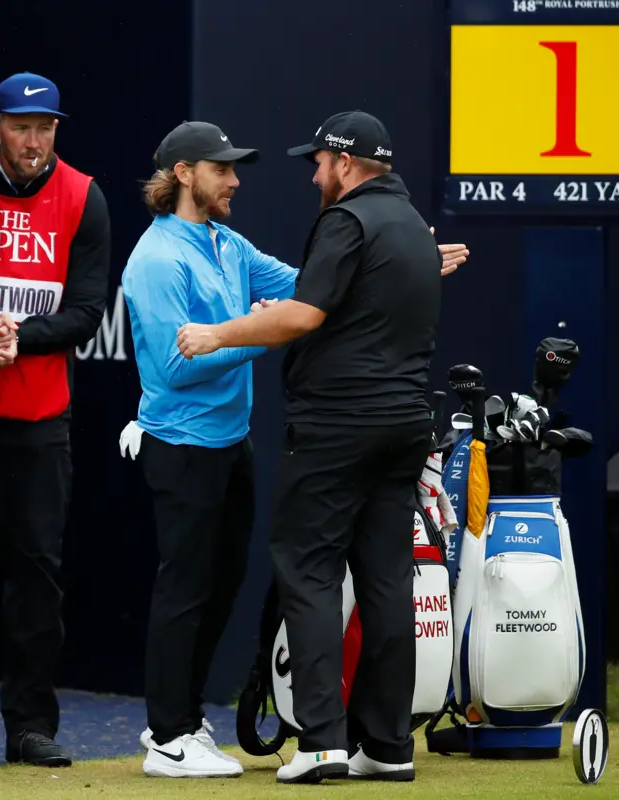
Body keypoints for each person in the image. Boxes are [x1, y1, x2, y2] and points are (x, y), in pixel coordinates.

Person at [176, 110, 445, 784]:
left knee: (310, 571)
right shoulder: (413, 225)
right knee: (386, 582)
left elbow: (305, 313)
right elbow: (345, 305)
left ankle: (322, 741)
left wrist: (219, 334)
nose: (316, 175)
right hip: (403, 426)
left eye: (320, 163)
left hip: (336, 427)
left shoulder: (346, 220)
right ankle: (387, 746)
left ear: (347, 165)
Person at [120, 121, 301, 779]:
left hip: (231, 443)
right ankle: (167, 739)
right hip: (181, 447)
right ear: (185, 174)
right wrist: (262, 334)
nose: (235, 179)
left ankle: (184, 717)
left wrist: (397, 263)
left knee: (219, 585)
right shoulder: (157, 258)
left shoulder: (226, 241)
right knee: (186, 589)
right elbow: (176, 369)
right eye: (222, 168)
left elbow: (301, 285)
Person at [0, 72, 110, 766]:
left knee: (36, 575)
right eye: (22, 127)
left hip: (36, 415)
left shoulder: (83, 196)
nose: (35, 141)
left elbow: (87, 311)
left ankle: (29, 727)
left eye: (46, 128)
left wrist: (17, 337)